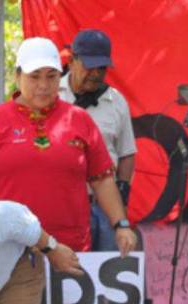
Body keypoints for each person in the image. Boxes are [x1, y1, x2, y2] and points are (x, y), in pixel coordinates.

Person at [0, 37, 135, 259]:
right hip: (9, 250)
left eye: (51, 76)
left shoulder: (79, 119)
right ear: (17, 76)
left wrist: (121, 224)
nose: (43, 85)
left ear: (61, 76)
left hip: (71, 249)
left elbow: (102, 179)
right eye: (34, 76)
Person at [58, 29, 138, 252]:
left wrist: (121, 195)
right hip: (61, 205)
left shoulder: (116, 101)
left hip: (103, 206)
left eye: (101, 67)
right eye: (89, 65)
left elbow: (126, 152)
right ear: (72, 60)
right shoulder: (52, 95)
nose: (95, 73)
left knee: (106, 272)